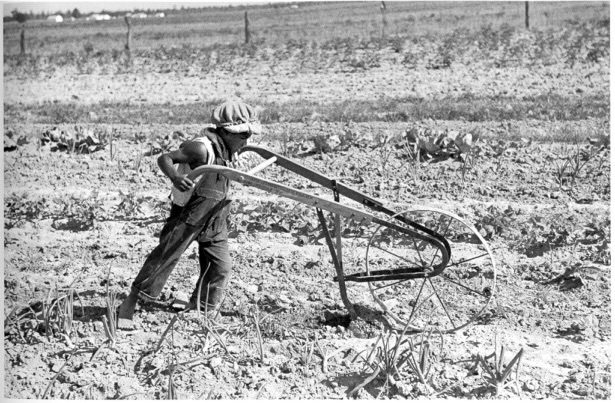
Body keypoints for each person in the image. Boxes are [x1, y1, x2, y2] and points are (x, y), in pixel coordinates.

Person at [117, 100, 261, 330]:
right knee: (165, 257)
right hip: (188, 216)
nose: (247, 140)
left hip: (215, 216)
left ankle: (202, 308)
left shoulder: (228, 148)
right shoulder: (201, 149)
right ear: (225, 132)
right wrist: (175, 177)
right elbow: (165, 158)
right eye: (243, 135)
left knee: (220, 267)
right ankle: (130, 302)